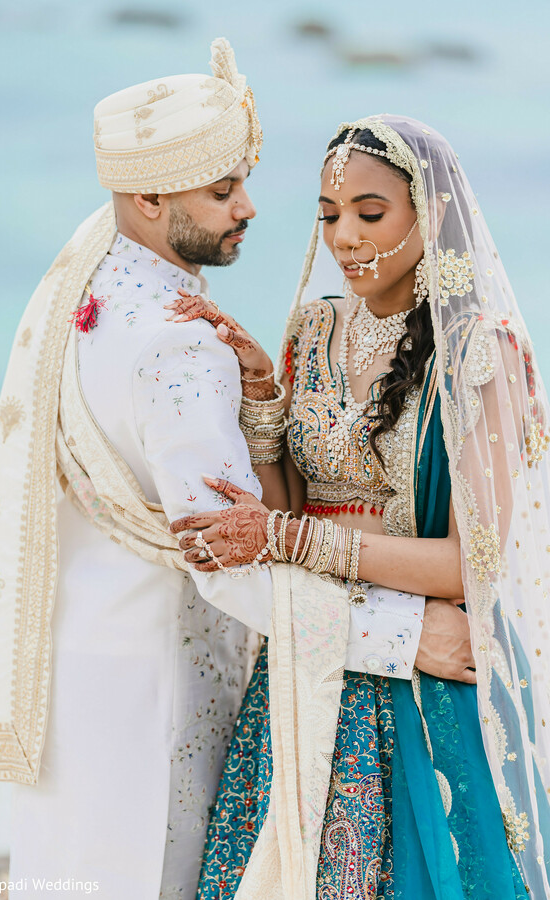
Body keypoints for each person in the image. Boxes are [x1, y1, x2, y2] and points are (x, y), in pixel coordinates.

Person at [0, 50, 462, 898]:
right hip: (157, 701)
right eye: (222, 191)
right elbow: (225, 561)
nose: (250, 209)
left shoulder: (82, 288)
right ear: (149, 198)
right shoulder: (182, 343)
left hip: (70, 678)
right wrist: (408, 636)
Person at [169, 116, 550, 898]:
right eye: (328, 215)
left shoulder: (483, 351)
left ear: (431, 215)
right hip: (314, 652)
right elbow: (293, 509)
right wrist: (262, 397)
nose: (344, 236)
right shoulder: (314, 329)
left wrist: (286, 537)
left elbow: (466, 565)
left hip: (425, 663)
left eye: (369, 214)